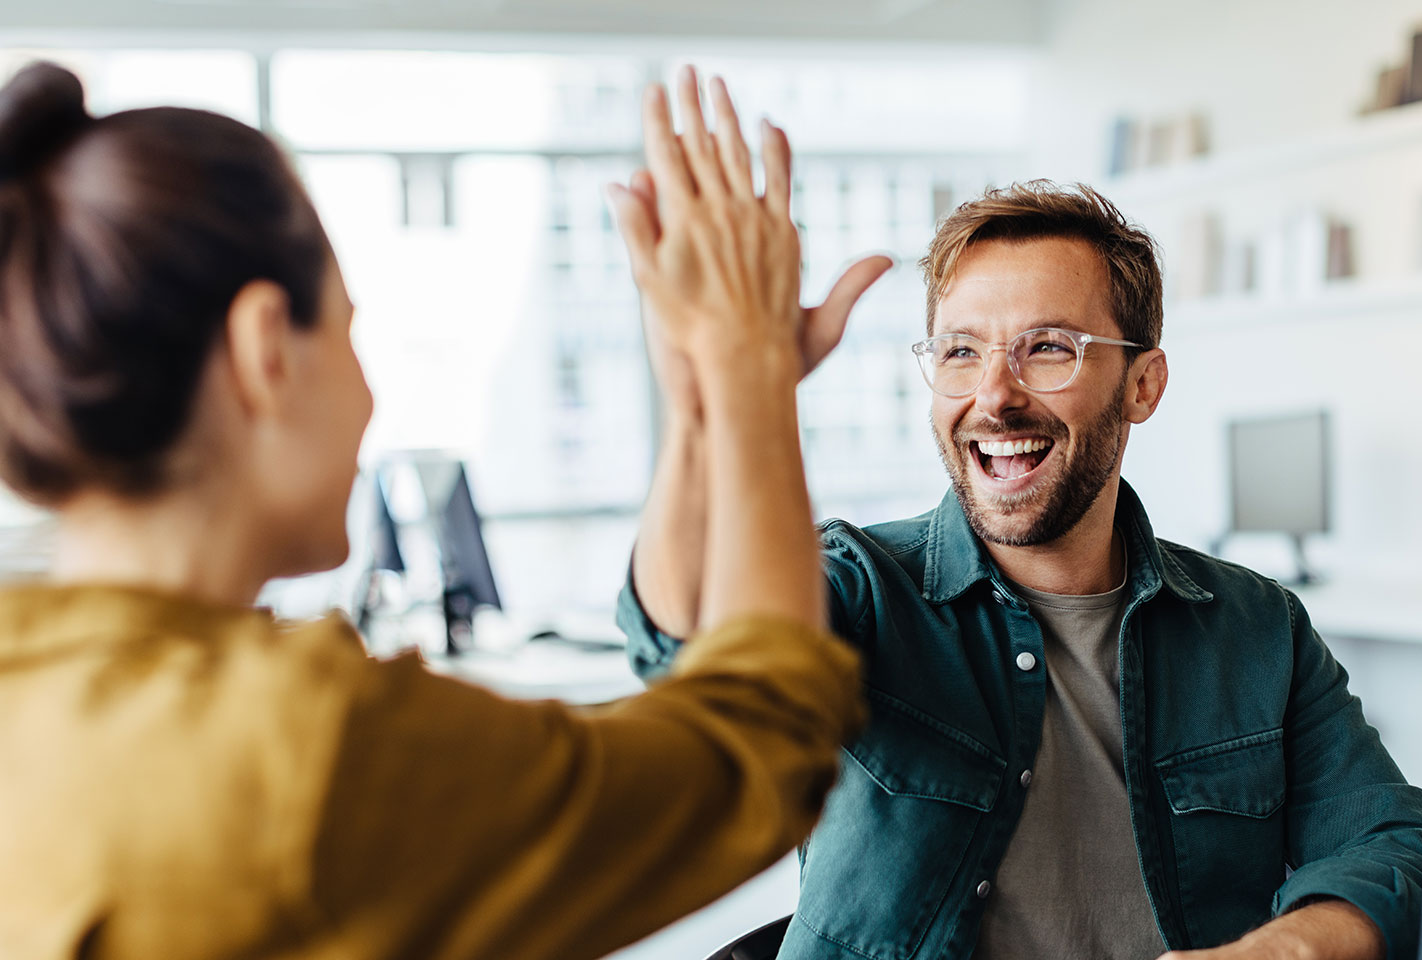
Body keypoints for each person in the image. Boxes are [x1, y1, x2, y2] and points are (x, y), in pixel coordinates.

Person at [0, 61, 867, 959]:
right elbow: (755, 746)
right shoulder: (303, 749)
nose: (371, 396)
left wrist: (701, 407)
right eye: (347, 329)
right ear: (267, 350)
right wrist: (749, 364)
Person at [623, 179, 1422, 960]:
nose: (995, 395)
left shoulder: (1258, 628)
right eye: (961, 351)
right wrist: (708, 406)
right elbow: (689, 643)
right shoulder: (863, 589)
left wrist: (1285, 949)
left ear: (1143, 384)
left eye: (1048, 348)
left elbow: (1392, 844)